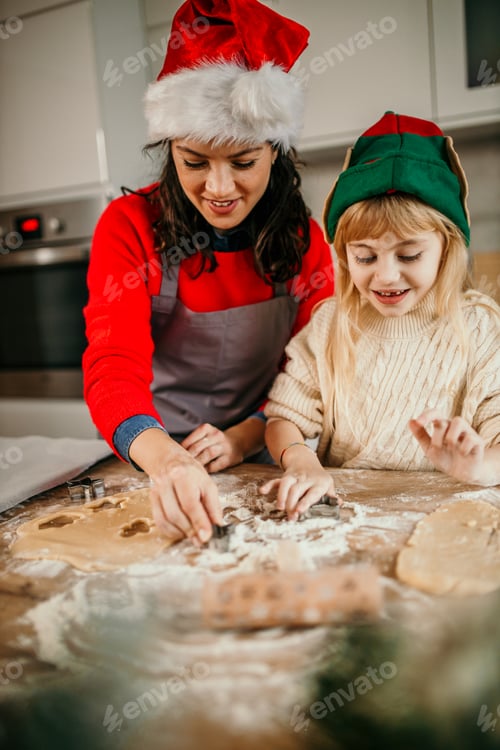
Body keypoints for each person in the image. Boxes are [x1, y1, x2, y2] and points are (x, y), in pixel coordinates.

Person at [83, 0, 334, 545]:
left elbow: (315, 373)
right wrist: (165, 458)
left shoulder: (304, 242)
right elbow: (113, 363)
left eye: (243, 163)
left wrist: (244, 438)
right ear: (169, 148)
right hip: (151, 447)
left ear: (277, 151)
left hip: (268, 442)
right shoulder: (128, 227)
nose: (218, 190)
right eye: (194, 161)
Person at [261, 111, 500, 520]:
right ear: (343, 255)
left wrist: (477, 467)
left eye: (408, 254)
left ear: (447, 247)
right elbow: (284, 419)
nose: (386, 275)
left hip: (444, 518)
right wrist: (301, 460)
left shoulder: (478, 328)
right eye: (365, 256)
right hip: (344, 520)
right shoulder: (331, 324)